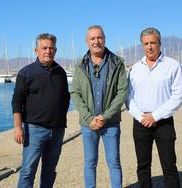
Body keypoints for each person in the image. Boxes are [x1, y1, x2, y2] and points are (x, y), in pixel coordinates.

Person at [71, 25, 127, 188]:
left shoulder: (117, 63)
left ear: (104, 39)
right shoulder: (80, 65)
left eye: (99, 38)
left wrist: (105, 116)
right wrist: (89, 118)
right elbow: (75, 93)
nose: (96, 41)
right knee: (90, 163)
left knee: (114, 162)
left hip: (110, 123)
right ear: (87, 42)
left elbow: (122, 92)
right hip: (88, 125)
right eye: (92, 38)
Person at [12, 33, 70, 188]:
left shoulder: (61, 72)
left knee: (50, 170)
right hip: (35, 130)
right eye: (44, 48)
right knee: (27, 171)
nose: (48, 51)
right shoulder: (26, 73)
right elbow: (17, 101)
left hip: (57, 131)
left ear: (55, 50)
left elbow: (65, 98)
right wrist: (18, 128)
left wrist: (60, 119)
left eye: (51, 48)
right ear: (36, 50)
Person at [126, 27, 182, 188]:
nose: (149, 47)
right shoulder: (135, 68)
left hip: (163, 123)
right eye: (146, 43)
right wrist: (141, 117)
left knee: (169, 166)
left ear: (159, 44)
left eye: (153, 43)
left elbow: (177, 96)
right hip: (141, 123)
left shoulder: (173, 66)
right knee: (143, 166)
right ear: (142, 45)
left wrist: (155, 116)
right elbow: (128, 97)